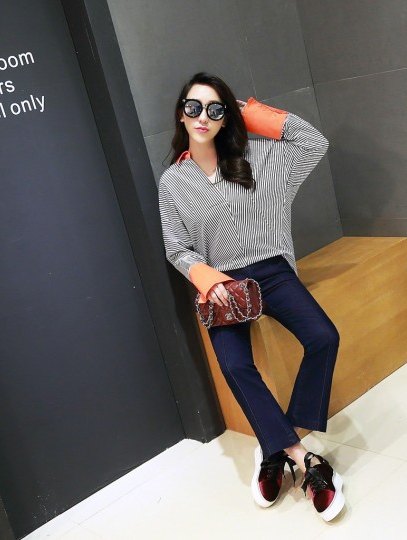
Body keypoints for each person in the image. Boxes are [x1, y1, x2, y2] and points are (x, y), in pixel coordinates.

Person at [158, 72, 344, 521]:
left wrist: (254, 114)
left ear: (227, 117)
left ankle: (275, 443)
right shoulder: (172, 182)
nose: (202, 117)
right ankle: (302, 458)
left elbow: (313, 143)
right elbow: (176, 248)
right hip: (220, 285)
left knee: (324, 336)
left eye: (215, 109)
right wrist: (209, 280)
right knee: (234, 365)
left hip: (272, 271)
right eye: (193, 107)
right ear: (181, 113)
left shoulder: (259, 158)